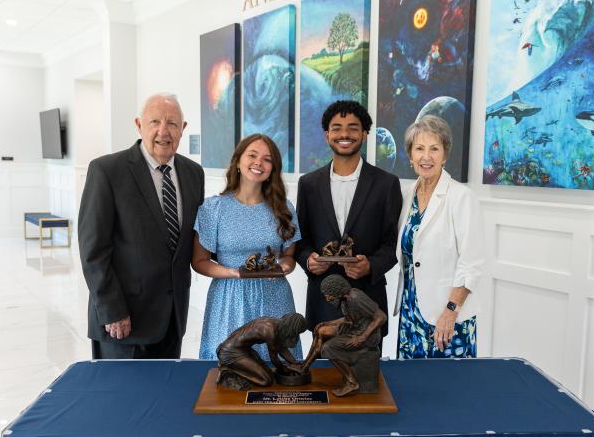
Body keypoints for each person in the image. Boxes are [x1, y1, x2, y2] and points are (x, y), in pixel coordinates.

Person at [78, 93, 205, 359]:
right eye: (154, 122)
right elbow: (93, 251)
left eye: (172, 123)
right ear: (139, 125)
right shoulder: (107, 171)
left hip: (173, 319)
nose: (163, 131)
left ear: (183, 129)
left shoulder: (194, 174)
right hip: (124, 323)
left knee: (163, 396)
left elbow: (191, 241)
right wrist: (112, 310)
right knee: (121, 399)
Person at [295, 100, 402, 341]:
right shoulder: (309, 184)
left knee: (367, 375)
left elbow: (392, 243)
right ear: (327, 135)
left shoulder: (387, 184)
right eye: (337, 127)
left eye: (353, 127)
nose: (345, 133)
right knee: (322, 374)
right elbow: (301, 240)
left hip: (368, 301)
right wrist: (308, 261)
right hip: (323, 299)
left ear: (364, 134)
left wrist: (371, 266)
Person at [192, 134, 302, 360]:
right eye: (252, 155)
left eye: (267, 159)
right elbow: (199, 261)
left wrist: (283, 267)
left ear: (273, 168)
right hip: (229, 299)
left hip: (275, 298)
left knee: (279, 367)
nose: (258, 163)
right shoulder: (214, 209)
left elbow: (290, 256)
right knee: (229, 371)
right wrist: (231, 272)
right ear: (238, 161)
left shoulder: (284, 209)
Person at [394, 115, 485, 359]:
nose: (426, 157)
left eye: (434, 149)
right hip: (411, 311)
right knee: (410, 389)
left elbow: (472, 263)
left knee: (450, 391)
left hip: (447, 316)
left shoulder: (462, 197)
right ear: (410, 155)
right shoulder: (405, 196)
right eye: (419, 149)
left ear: (444, 156)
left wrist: (450, 311)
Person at [300, 275, 386, 397]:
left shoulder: (356, 298)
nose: (327, 297)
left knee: (327, 348)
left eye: (328, 294)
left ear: (337, 290)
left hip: (366, 335)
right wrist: (328, 323)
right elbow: (349, 318)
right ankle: (305, 365)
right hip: (354, 327)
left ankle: (352, 383)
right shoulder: (345, 299)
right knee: (320, 330)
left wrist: (362, 337)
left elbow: (381, 317)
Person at [216, 313, 306, 390]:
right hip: (230, 352)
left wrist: (295, 362)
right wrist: (284, 371)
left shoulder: (278, 324)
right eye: (297, 332)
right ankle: (228, 369)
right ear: (292, 328)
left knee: (269, 374)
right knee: (266, 380)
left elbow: (281, 348)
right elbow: (274, 358)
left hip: (244, 350)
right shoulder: (270, 331)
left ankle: (234, 367)